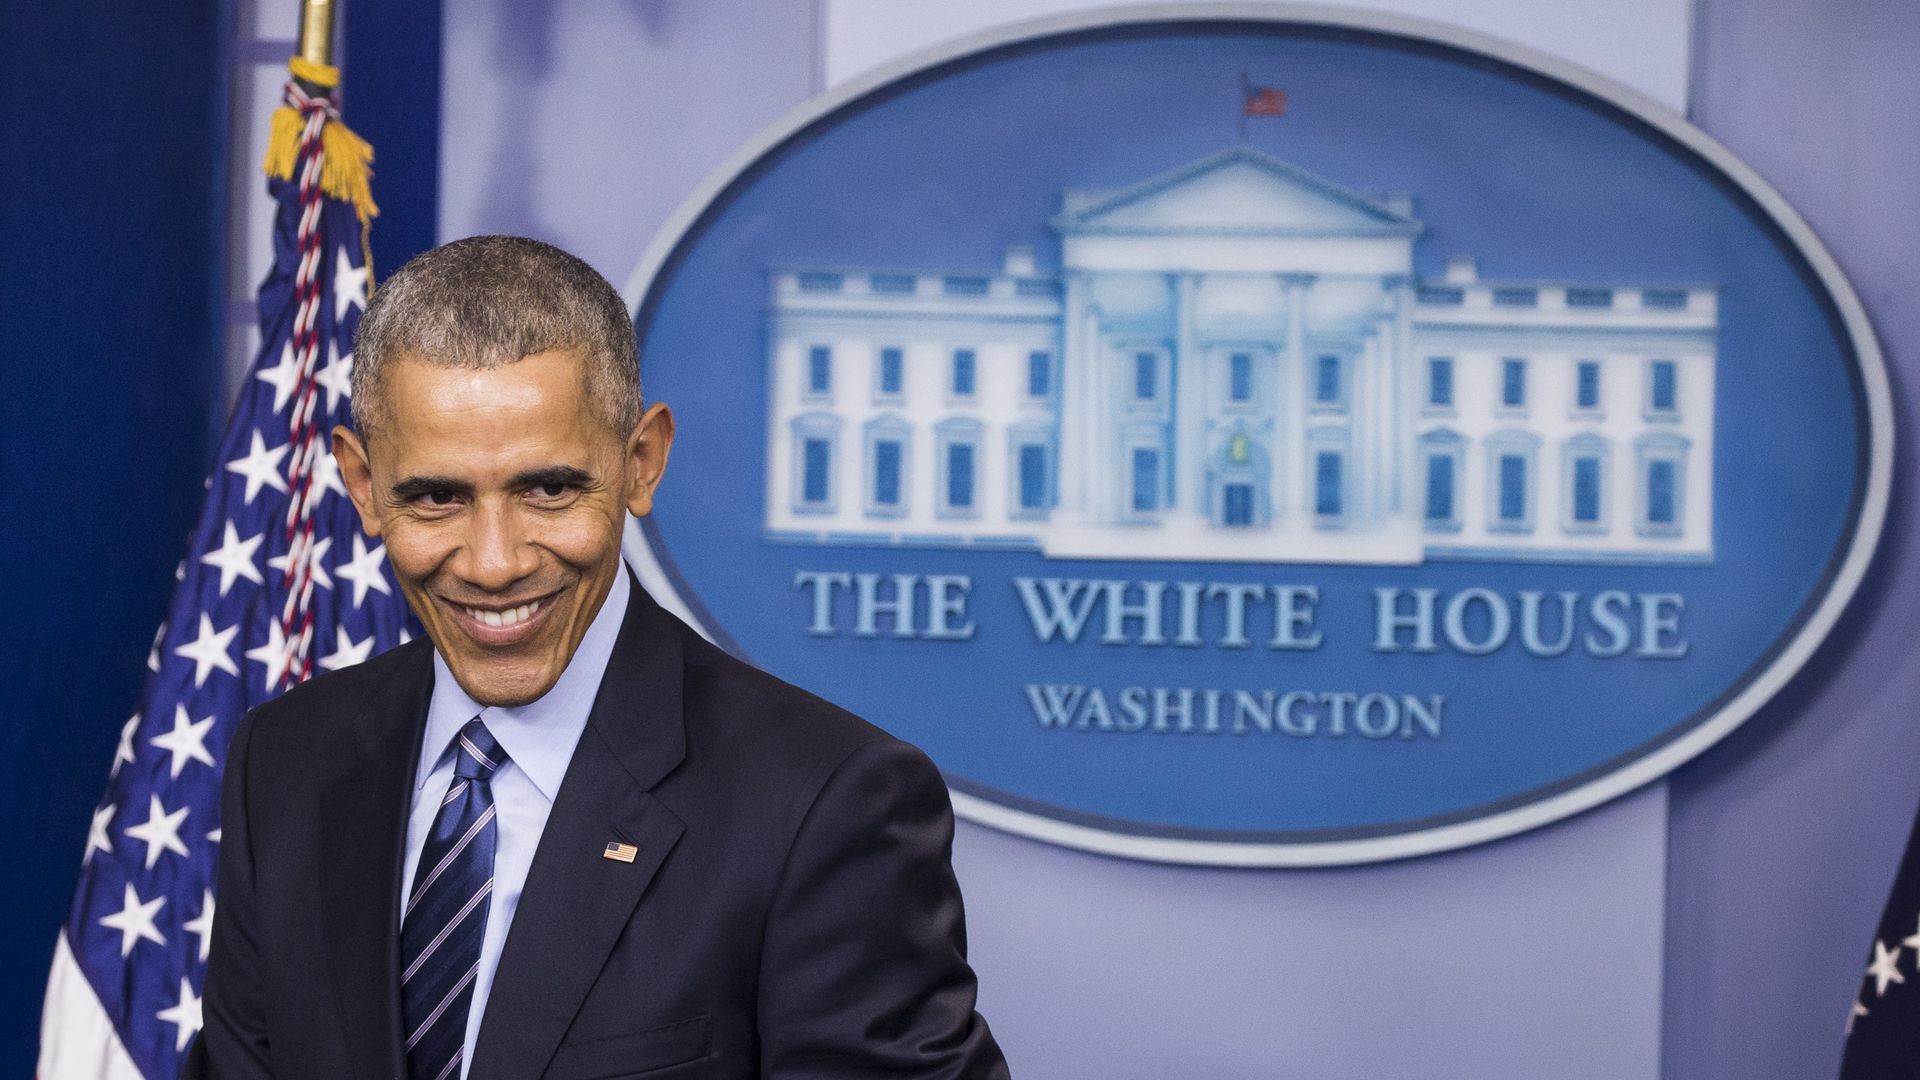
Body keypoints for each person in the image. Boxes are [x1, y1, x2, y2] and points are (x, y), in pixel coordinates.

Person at [197, 236, 1009, 1079]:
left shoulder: (825, 803)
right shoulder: (286, 759)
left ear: (640, 463)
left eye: (547, 489)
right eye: (437, 497)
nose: (494, 560)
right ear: (363, 485)